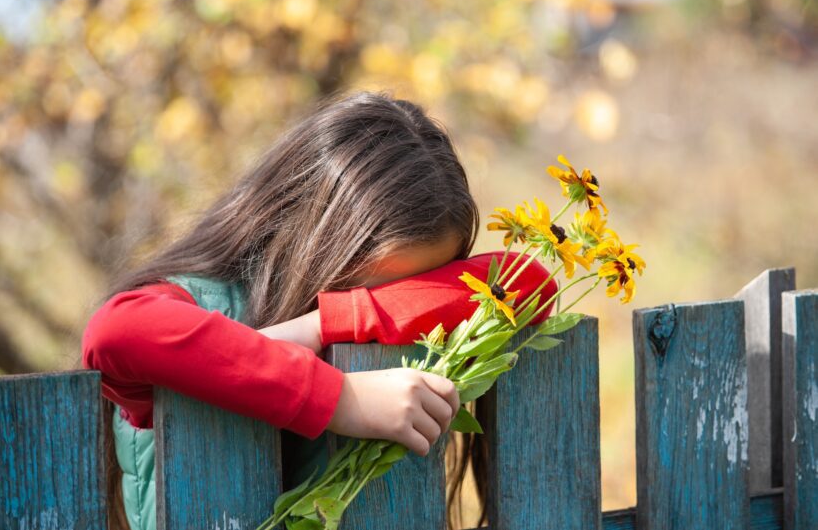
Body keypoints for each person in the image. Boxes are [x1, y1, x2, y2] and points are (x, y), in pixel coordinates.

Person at [81, 89, 557, 530]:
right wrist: (341, 400)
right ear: (309, 239)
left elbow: (533, 283)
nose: (401, 313)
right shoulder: (205, 306)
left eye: (416, 291)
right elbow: (117, 332)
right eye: (367, 286)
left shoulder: (337, 316)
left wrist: (330, 320)